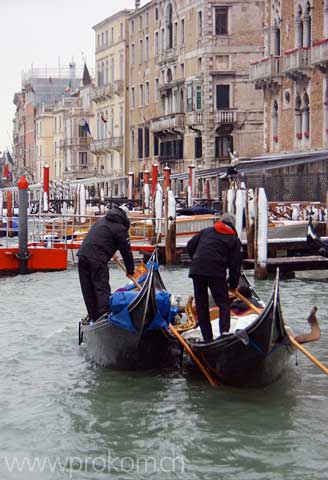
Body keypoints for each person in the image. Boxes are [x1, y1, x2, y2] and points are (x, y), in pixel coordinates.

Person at [187, 213, 242, 342]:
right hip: (216, 272)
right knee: (223, 303)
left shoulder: (206, 231)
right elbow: (235, 265)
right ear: (232, 226)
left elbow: (190, 245)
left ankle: (208, 339)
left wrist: (196, 259)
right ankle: (224, 335)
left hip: (197, 270)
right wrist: (233, 285)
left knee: (201, 305)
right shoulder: (234, 239)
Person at [77, 206, 135, 323]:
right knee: (101, 288)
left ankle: (94, 317)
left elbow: (101, 239)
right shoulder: (120, 228)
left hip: (82, 255)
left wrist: (110, 251)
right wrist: (130, 270)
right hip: (97, 258)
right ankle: (104, 318)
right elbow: (126, 251)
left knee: (88, 290)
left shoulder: (102, 221)